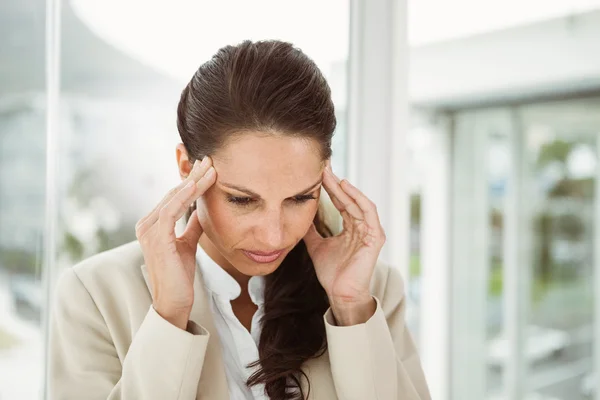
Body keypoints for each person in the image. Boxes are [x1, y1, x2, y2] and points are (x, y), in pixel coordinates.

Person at [48, 40, 430, 400]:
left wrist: (350, 309)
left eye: (300, 197)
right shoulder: (95, 295)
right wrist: (168, 317)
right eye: (242, 200)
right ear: (187, 167)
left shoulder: (373, 289)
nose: (273, 234)